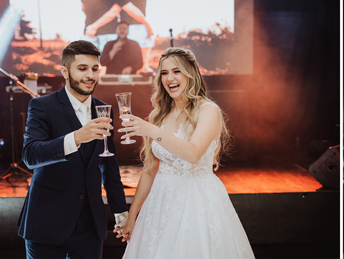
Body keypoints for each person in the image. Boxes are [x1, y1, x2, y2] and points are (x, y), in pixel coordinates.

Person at [114, 47, 254, 258]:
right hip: (159, 204)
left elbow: (193, 153)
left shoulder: (208, 111)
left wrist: (151, 130)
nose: (169, 77)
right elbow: (149, 170)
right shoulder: (158, 116)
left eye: (176, 71)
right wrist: (132, 216)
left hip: (197, 203)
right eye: (164, 72)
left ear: (191, 74)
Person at [18, 40, 129, 259]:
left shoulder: (103, 110)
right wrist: (76, 138)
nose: (90, 75)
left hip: (90, 226)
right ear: (65, 71)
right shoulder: (42, 106)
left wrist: (120, 210)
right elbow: (30, 155)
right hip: (47, 223)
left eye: (95, 69)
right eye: (82, 68)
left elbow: (108, 164)